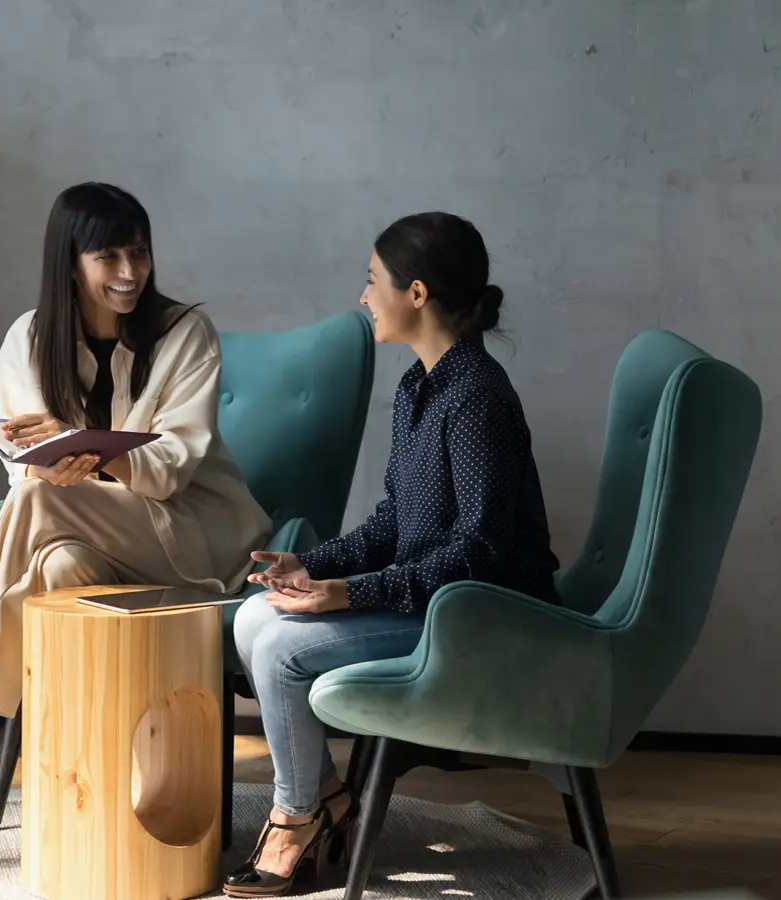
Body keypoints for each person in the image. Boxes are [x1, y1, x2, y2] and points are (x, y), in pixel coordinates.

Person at [0, 183, 270, 789]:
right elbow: (23, 462)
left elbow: (168, 470)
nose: (128, 272)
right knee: (59, 567)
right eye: (108, 257)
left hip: (197, 541)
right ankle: (91, 781)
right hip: (86, 536)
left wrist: (79, 445)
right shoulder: (29, 339)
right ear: (69, 261)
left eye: (138, 254)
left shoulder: (184, 332)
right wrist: (48, 457)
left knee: (39, 502)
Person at [223, 212, 559, 898]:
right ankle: (325, 798)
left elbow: (480, 552)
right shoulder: (418, 386)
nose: (362, 296)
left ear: (417, 294)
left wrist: (350, 595)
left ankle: (296, 816)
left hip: (481, 617)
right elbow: (396, 521)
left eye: (373, 280)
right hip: (434, 600)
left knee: (283, 649)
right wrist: (315, 568)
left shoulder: (476, 399)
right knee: (255, 617)